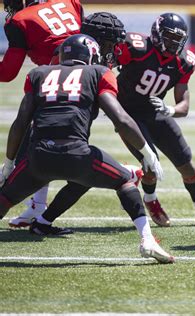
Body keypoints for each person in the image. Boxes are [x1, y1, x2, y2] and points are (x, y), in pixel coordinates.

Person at [0, 34, 174, 263]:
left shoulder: (38, 74)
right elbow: (120, 119)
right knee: (125, 181)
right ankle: (148, 240)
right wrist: (147, 152)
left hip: (38, 157)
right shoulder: (98, 72)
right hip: (77, 155)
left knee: (4, 199)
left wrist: (10, 162)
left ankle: (43, 222)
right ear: (91, 55)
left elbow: (21, 123)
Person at [111, 12, 195, 227]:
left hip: (156, 111)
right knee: (150, 165)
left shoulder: (183, 62)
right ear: (157, 34)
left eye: (178, 40)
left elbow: (184, 105)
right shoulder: (136, 47)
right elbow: (104, 69)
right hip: (128, 114)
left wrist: (170, 109)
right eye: (169, 37)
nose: (173, 43)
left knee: (187, 166)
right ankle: (150, 199)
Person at [2, 0, 83, 227]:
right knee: (43, 143)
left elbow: (7, 73)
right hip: (88, 79)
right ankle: (37, 207)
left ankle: (129, 174)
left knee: (39, 150)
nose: (11, 8)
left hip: (59, 84)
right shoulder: (70, 2)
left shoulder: (20, 20)